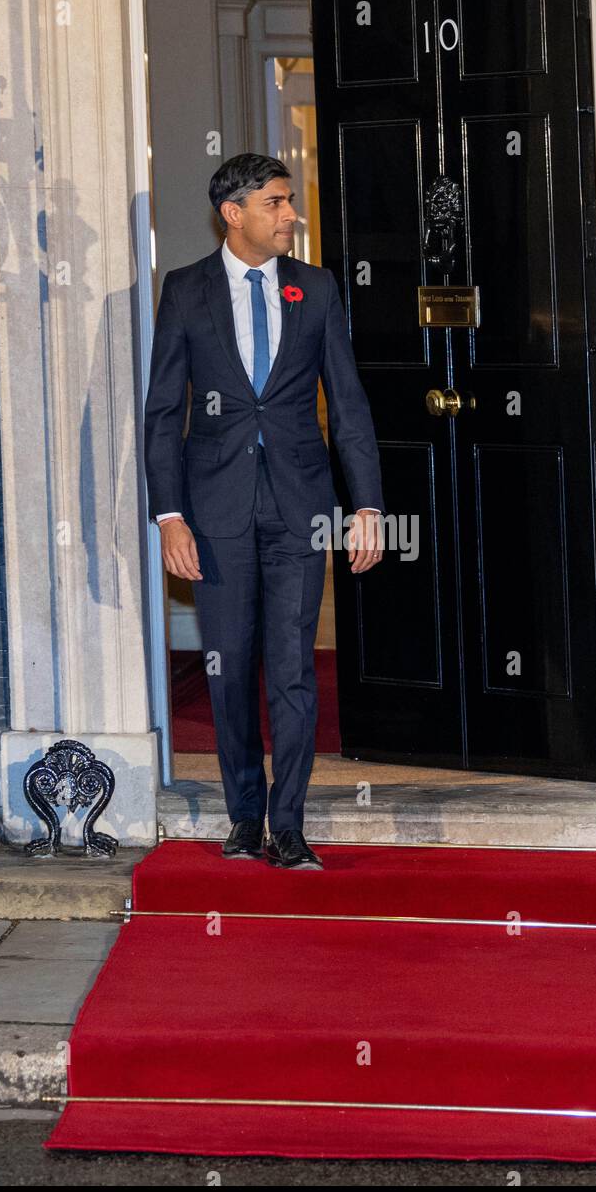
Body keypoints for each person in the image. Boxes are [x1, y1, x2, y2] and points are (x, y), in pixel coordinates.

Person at [143, 153, 385, 869]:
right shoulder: (185, 290)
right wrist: (169, 517)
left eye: (288, 202)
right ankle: (244, 816)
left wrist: (364, 504)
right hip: (213, 514)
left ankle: (289, 825)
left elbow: (347, 403)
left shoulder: (314, 288)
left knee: (291, 671)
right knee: (228, 669)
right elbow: (162, 412)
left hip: (299, 508)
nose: (291, 215)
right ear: (234, 213)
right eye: (277, 203)